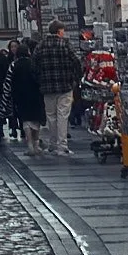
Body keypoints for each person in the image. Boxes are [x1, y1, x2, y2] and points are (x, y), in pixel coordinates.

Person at [35, 23, 83, 157]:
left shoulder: (41, 46)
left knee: (51, 116)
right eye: (63, 30)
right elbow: (76, 61)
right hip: (65, 85)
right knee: (63, 115)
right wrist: (76, 78)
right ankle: (62, 146)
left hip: (47, 86)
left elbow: (34, 64)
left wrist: (41, 79)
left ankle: (52, 143)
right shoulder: (65, 45)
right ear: (59, 31)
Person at [4, 39, 46, 153]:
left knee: (26, 120)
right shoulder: (34, 63)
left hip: (20, 96)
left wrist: (7, 97)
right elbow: (40, 78)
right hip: (35, 94)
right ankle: (36, 144)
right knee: (36, 119)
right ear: (28, 52)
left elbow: (8, 82)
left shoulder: (14, 65)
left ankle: (30, 145)